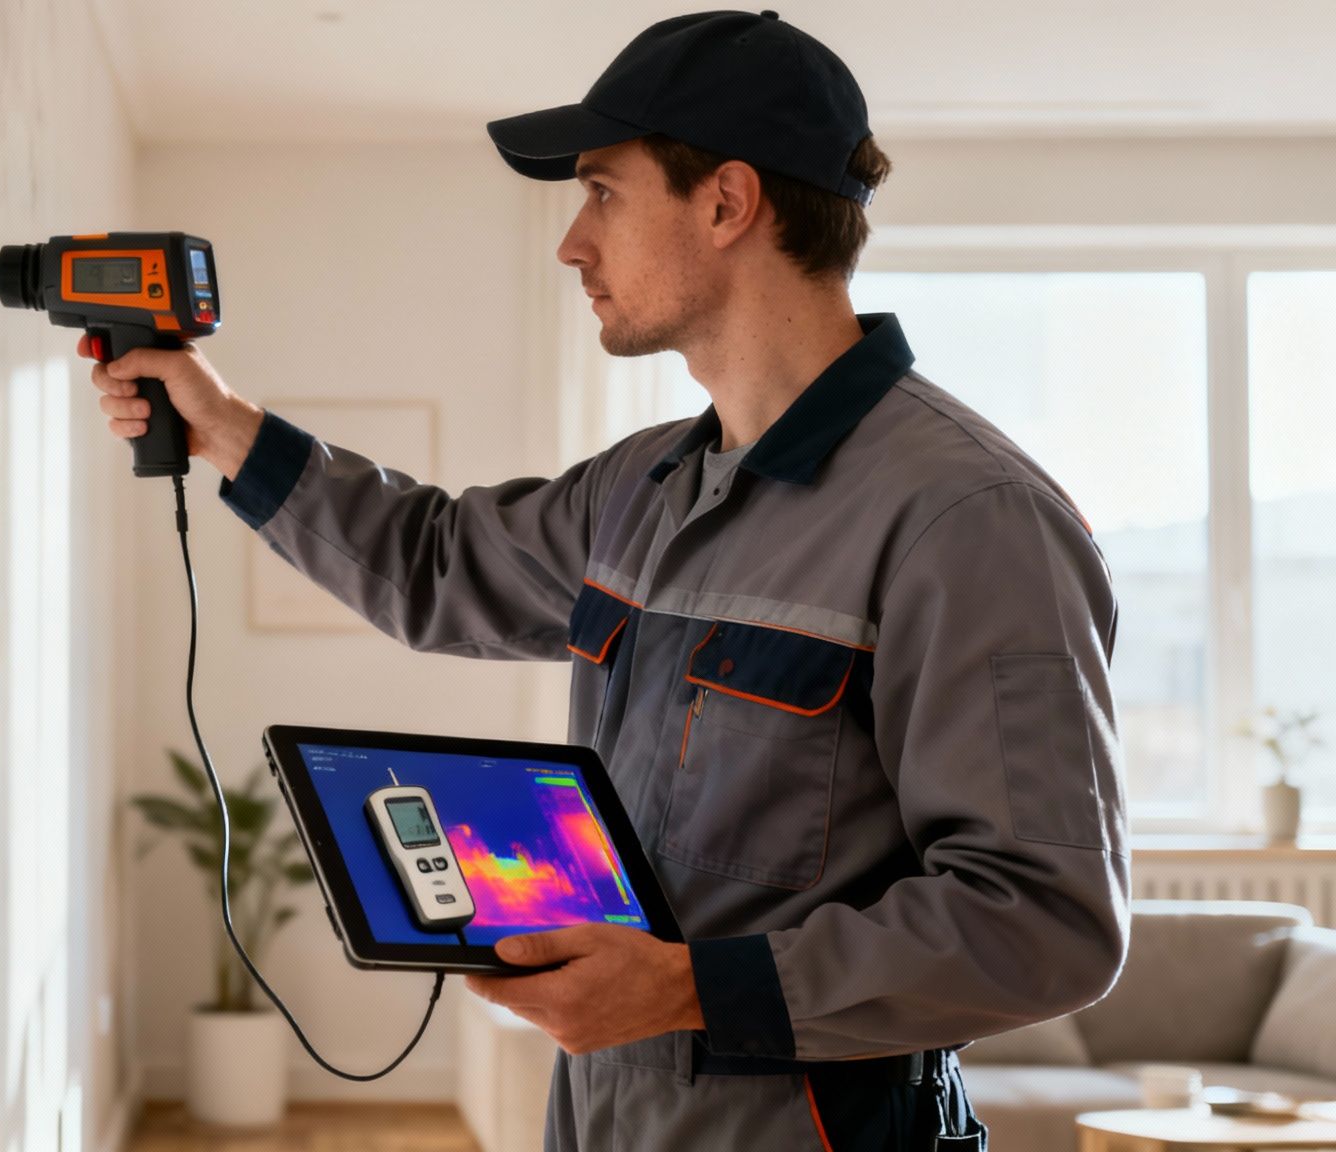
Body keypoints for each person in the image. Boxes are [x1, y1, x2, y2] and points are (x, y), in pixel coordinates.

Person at [83, 10, 1128, 1149]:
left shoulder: (966, 521)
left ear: (727, 202)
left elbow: (1044, 922)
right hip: (604, 1117)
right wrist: (224, 426)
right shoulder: (643, 486)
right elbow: (434, 565)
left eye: (601, 191)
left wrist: (690, 988)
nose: (571, 242)